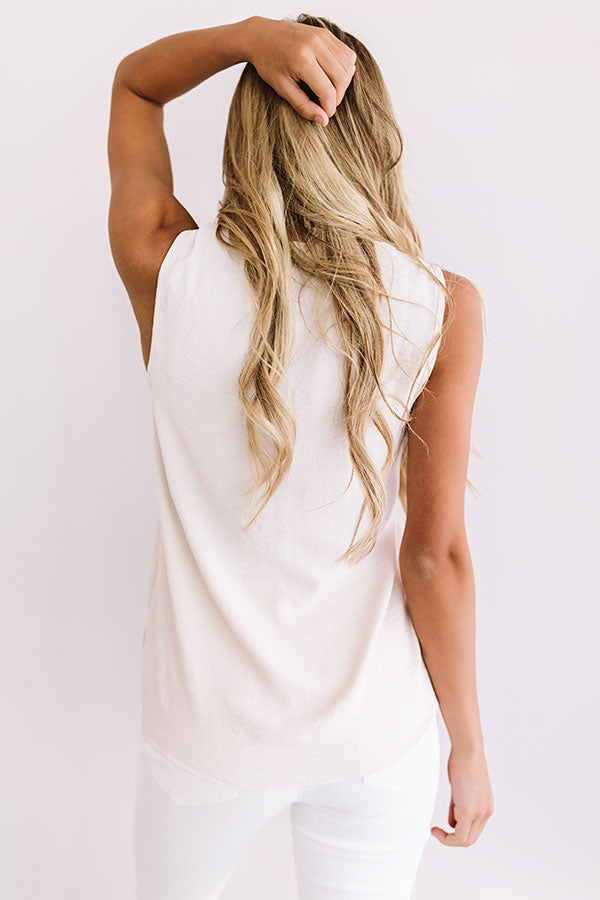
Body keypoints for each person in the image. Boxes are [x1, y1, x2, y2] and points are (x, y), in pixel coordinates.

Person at [107, 13, 494, 900]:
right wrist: (468, 744)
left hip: (206, 743)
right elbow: (433, 557)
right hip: (373, 740)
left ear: (245, 139)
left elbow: (134, 85)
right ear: (371, 136)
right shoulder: (439, 309)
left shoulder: (165, 271)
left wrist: (247, 38)